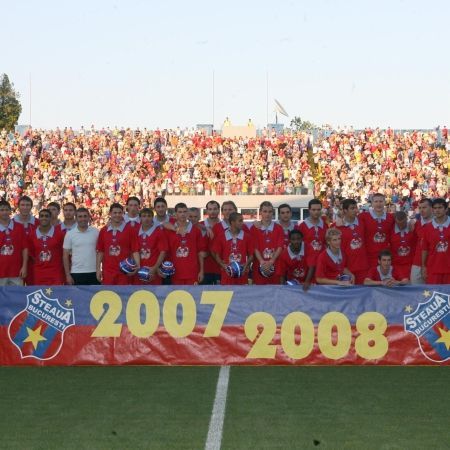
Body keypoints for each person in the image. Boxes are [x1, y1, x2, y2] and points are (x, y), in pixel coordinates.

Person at [96, 203, 140, 285]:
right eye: (115, 213)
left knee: (123, 296)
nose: (117, 215)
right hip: (108, 272)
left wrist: (137, 266)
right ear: (110, 214)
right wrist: (98, 269)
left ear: (123, 214)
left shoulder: (130, 230)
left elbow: (135, 250)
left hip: (124, 271)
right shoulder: (103, 231)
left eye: (120, 213)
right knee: (109, 296)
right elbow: (100, 251)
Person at [165, 203, 206, 285]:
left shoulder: (196, 231)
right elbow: (165, 252)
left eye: (184, 211)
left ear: (187, 213)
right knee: (178, 297)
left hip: (192, 273)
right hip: (175, 273)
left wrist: (201, 271)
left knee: (192, 297)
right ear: (175, 214)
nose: (182, 214)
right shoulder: (169, 230)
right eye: (180, 212)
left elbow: (200, 253)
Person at [211, 212, 254, 285]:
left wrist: (246, 265)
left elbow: (251, 255)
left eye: (242, 220)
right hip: (227, 275)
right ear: (232, 222)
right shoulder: (221, 236)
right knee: (227, 295)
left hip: (242, 275)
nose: (242, 223)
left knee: (241, 295)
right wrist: (224, 266)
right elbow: (216, 255)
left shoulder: (247, 237)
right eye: (240, 221)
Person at [63, 207, 100, 285]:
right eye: (80, 216)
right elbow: (65, 256)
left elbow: (100, 252)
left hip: (94, 272)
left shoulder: (96, 232)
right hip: (76, 272)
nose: (83, 219)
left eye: (85, 216)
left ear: (89, 217)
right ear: (76, 218)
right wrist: (67, 275)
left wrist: (99, 270)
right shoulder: (70, 234)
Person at [28, 209, 65, 285]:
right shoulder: (32, 235)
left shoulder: (60, 234)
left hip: (55, 272)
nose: (44, 218)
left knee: (56, 295)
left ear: (51, 218)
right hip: (39, 272)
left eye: (46, 216)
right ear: (39, 218)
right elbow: (31, 254)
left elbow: (63, 252)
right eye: (41, 216)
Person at [336, 198, 369, 285]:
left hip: (363, 266)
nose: (356, 210)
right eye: (352, 208)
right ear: (345, 210)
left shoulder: (363, 222)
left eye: (356, 208)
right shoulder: (337, 227)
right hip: (347, 268)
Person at [251, 201, 284, 285]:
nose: (267, 214)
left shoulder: (278, 228)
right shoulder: (254, 228)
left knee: (275, 292)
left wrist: (271, 261)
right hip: (259, 265)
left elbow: (280, 247)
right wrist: (262, 261)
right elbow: (255, 247)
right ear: (260, 212)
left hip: (274, 264)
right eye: (265, 211)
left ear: (273, 213)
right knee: (259, 293)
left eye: (270, 211)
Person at [359, 193, 394, 268]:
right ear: (372, 203)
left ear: (384, 202)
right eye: (376, 201)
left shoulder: (391, 217)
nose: (378, 204)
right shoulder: (363, 217)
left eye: (381, 201)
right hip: (369, 256)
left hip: (385, 258)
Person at [134, 208, 168, 285]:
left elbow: (163, 252)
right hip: (138, 272)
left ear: (152, 218)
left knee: (154, 295)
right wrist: (137, 268)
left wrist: (155, 268)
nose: (146, 218)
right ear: (140, 218)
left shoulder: (159, 232)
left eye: (149, 216)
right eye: (144, 216)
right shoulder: (135, 231)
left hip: (153, 271)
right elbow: (134, 251)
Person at [297, 199, 328, 280]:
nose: (316, 212)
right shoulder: (302, 226)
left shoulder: (325, 225)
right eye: (313, 210)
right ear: (309, 210)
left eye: (318, 210)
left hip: (322, 263)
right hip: (306, 264)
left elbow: (327, 244)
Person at [422, 198, 450, 284]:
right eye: (435, 208)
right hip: (433, 269)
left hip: (448, 269)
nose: (437, 210)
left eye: (440, 207)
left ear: (446, 209)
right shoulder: (427, 227)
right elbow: (425, 249)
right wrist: (423, 267)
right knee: (434, 296)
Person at [0, 200, 28, 286]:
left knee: (17, 298)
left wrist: (24, 266)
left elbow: (25, 248)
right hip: (1, 272)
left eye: (6, 210)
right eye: (1, 210)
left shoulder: (19, 227)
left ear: (10, 211)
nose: (4, 212)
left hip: (16, 271)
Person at [410, 198, 433, 284]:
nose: (421, 210)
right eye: (420, 208)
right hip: (417, 263)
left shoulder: (438, 224)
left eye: (424, 207)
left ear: (431, 208)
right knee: (415, 292)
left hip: (432, 264)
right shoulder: (416, 224)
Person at [390, 211, 415, 282]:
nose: (400, 226)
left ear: (407, 219)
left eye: (403, 223)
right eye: (398, 224)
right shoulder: (390, 230)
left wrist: (413, 221)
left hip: (411, 265)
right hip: (396, 265)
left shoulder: (413, 228)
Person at [201, 200, 221, 285]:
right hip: (204, 269)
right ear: (206, 210)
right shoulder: (200, 225)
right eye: (210, 209)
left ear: (219, 210)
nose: (212, 211)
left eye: (215, 209)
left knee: (221, 296)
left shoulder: (225, 226)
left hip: (220, 268)